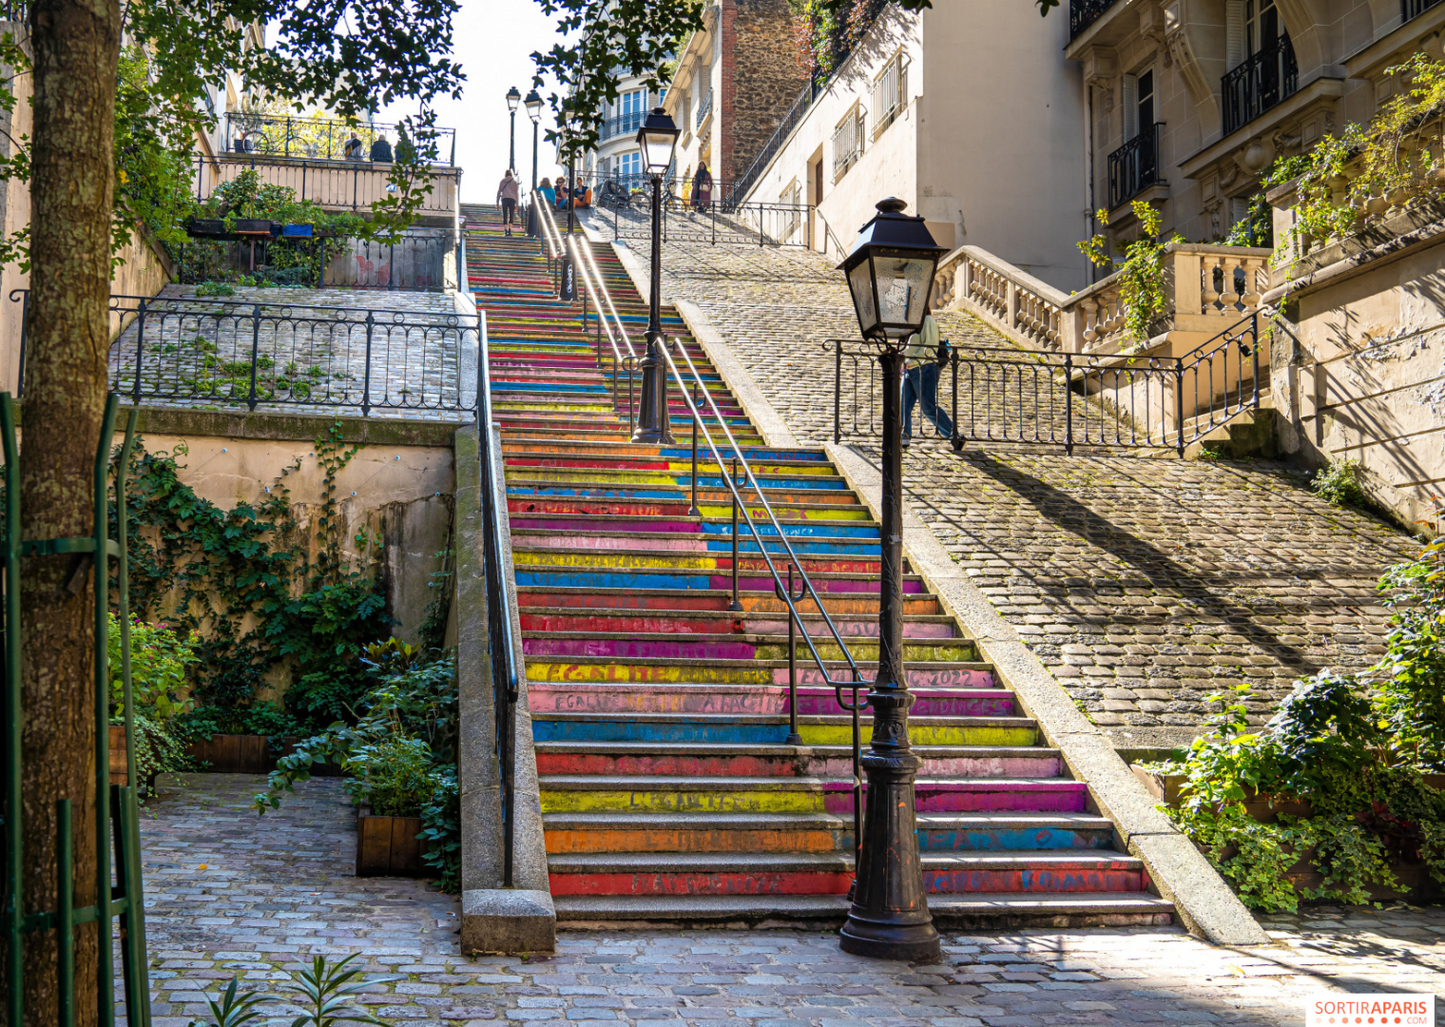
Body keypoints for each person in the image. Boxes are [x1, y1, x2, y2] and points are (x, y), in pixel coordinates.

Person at [901, 307, 953, 447]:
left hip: (925, 368)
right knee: (903, 405)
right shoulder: (912, 325)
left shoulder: (928, 320)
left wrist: (910, 362)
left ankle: (954, 435)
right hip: (909, 369)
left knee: (927, 407)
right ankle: (903, 438)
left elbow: (929, 349)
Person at [496, 169, 520, 236]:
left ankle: (505, 230)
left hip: (504, 199)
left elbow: (499, 192)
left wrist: (497, 203)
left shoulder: (502, 181)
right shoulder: (514, 182)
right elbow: (516, 193)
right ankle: (509, 230)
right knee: (511, 215)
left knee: (505, 214)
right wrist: (517, 204)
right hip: (512, 199)